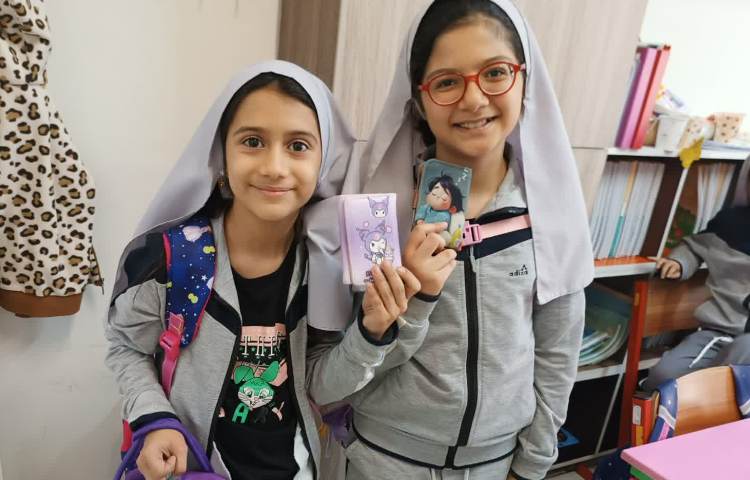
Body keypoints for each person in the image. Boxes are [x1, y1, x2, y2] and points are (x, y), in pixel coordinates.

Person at [308, 1, 594, 479]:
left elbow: (558, 354)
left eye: (496, 73)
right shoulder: (375, 215)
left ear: (524, 81)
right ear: (418, 100)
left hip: (495, 466)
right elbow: (335, 374)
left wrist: (532, 465)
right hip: (381, 462)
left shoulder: (550, 213)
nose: (474, 99)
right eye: (446, 82)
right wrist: (414, 299)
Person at [105, 60, 418, 480]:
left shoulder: (325, 263)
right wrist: (155, 418)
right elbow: (127, 347)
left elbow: (318, 384)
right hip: (192, 468)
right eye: (252, 141)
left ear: (325, 159)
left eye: (298, 145)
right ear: (222, 153)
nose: (274, 166)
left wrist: (371, 334)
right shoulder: (174, 257)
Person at [644, 155, 750, 392]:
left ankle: (715, 406)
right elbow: (695, 245)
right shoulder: (730, 223)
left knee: (743, 354)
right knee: (663, 377)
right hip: (719, 332)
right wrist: (679, 263)